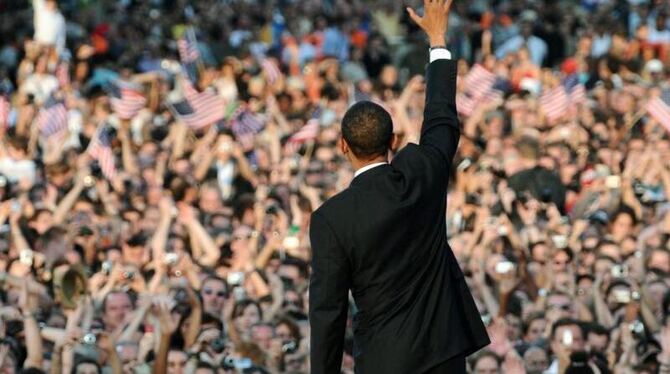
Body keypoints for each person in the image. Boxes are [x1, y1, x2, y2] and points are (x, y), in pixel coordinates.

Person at [308, 1, 489, 373]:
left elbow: (328, 313)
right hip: (443, 354)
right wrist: (437, 39)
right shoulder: (421, 175)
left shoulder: (331, 219)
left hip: (383, 362)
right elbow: (441, 119)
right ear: (392, 141)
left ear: (343, 146)